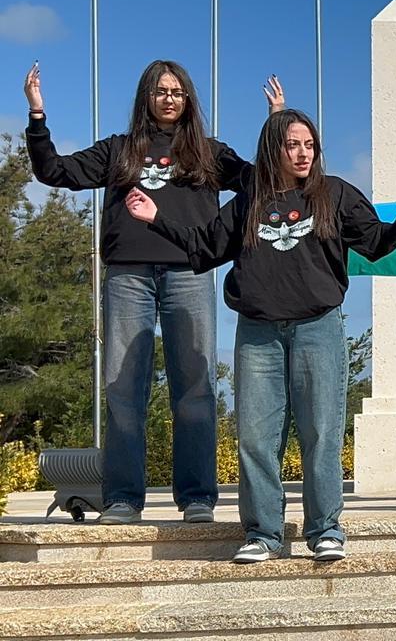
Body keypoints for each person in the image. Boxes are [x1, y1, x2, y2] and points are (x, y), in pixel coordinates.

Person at [125, 109, 396, 563]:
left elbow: (375, 244)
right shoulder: (248, 201)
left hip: (318, 328)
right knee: (256, 436)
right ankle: (263, 533)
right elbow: (205, 248)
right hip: (258, 332)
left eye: (309, 145)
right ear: (274, 149)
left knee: (321, 432)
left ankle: (325, 530)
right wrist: (156, 218)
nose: (303, 153)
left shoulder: (335, 194)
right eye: (293, 145)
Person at [24, 60, 282, 525]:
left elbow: (262, 181)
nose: (169, 99)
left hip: (190, 273)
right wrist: (38, 117)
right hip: (128, 275)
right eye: (161, 91)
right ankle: (123, 499)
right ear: (147, 97)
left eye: (178, 92)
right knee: (124, 389)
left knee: (195, 389)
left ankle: (198, 497)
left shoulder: (207, 152)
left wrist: (275, 124)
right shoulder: (119, 150)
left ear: (188, 101)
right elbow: (55, 172)